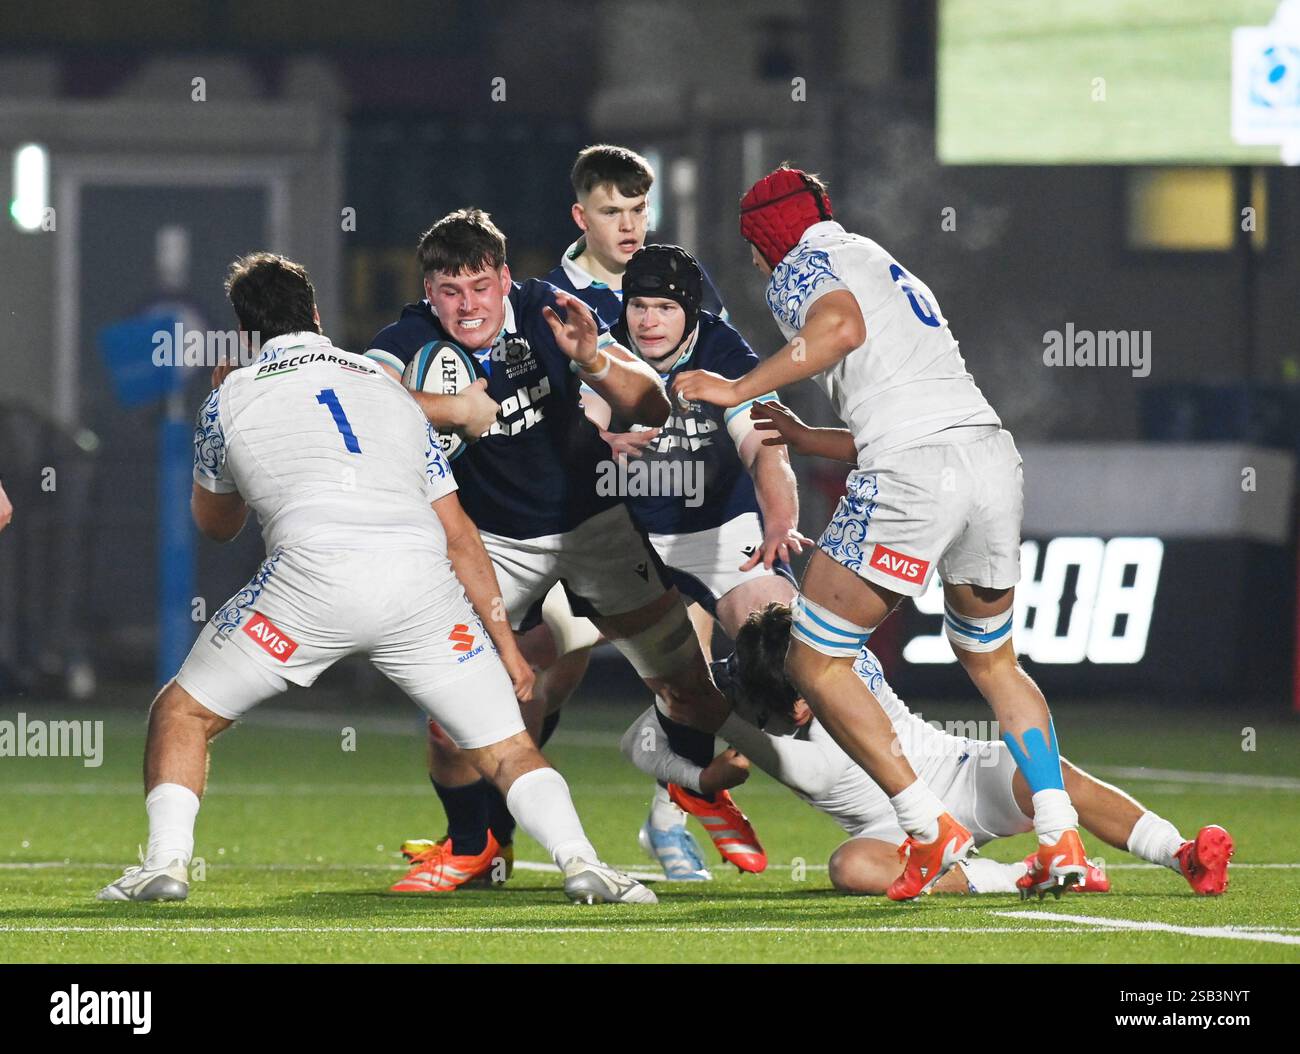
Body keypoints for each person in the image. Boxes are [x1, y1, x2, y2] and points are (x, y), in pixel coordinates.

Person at [97, 252, 653, 906]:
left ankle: (166, 865)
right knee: (507, 750)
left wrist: (224, 416)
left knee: (180, 713)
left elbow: (216, 525)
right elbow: (460, 535)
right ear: (315, 314)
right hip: (418, 587)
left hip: (307, 588)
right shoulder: (389, 388)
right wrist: (506, 647)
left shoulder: (232, 397)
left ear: (246, 334)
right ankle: (584, 863)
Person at [673, 164, 1090, 900]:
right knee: (993, 662)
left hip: (914, 475)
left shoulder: (801, 264)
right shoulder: (881, 261)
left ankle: (928, 829)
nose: (755, 262)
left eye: (752, 246)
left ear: (768, 238)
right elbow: (901, 412)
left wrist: (737, 388)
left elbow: (840, 329)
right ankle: (1060, 836)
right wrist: (807, 437)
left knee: (814, 662)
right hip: (990, 456)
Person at [364, 209, 765, 891]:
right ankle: (474, 846)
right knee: (450, 719)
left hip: (594, 526)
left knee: (685, 685)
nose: (467, 307)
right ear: (429, 292)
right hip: (494, 545)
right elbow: (363, 394)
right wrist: (451, 408)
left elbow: (651, 406)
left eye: (480, 287)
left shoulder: (549, 309)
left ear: (505, 280)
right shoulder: (410, 337)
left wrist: (591, 359)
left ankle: (702, 785)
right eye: (450, 291)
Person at [623, 603, 1235, 898]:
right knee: (849, 869)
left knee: (1043, 773)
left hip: (956, 774)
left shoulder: (815, 661)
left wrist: (727, 731)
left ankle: (1178, 852)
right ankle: (1021, 877)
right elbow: (637, 741)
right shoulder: (752, 677)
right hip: (897, 828)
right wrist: (697, 774)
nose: (807, 703)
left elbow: (799, 761)